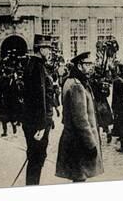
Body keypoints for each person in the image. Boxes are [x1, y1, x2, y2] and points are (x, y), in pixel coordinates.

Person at [56, 52, 104, 182]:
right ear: (79, 65)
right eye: (87, 64)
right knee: (79, 179)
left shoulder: (71, 81)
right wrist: (91, 144)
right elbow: (81, 120)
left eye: (91, 64)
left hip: (73, 138)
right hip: (79, 142)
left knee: (78, 178)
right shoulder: (77, 85)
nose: (90, 67)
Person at [21, 34, 55, 185]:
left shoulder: (32, 65)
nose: (49, 52)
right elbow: (39, 97)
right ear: (41, 49)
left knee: (34, 160)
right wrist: (42, 125)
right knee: (37, 160)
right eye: (47, 48)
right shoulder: (38, 67)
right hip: (37, 125)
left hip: (32, 122)